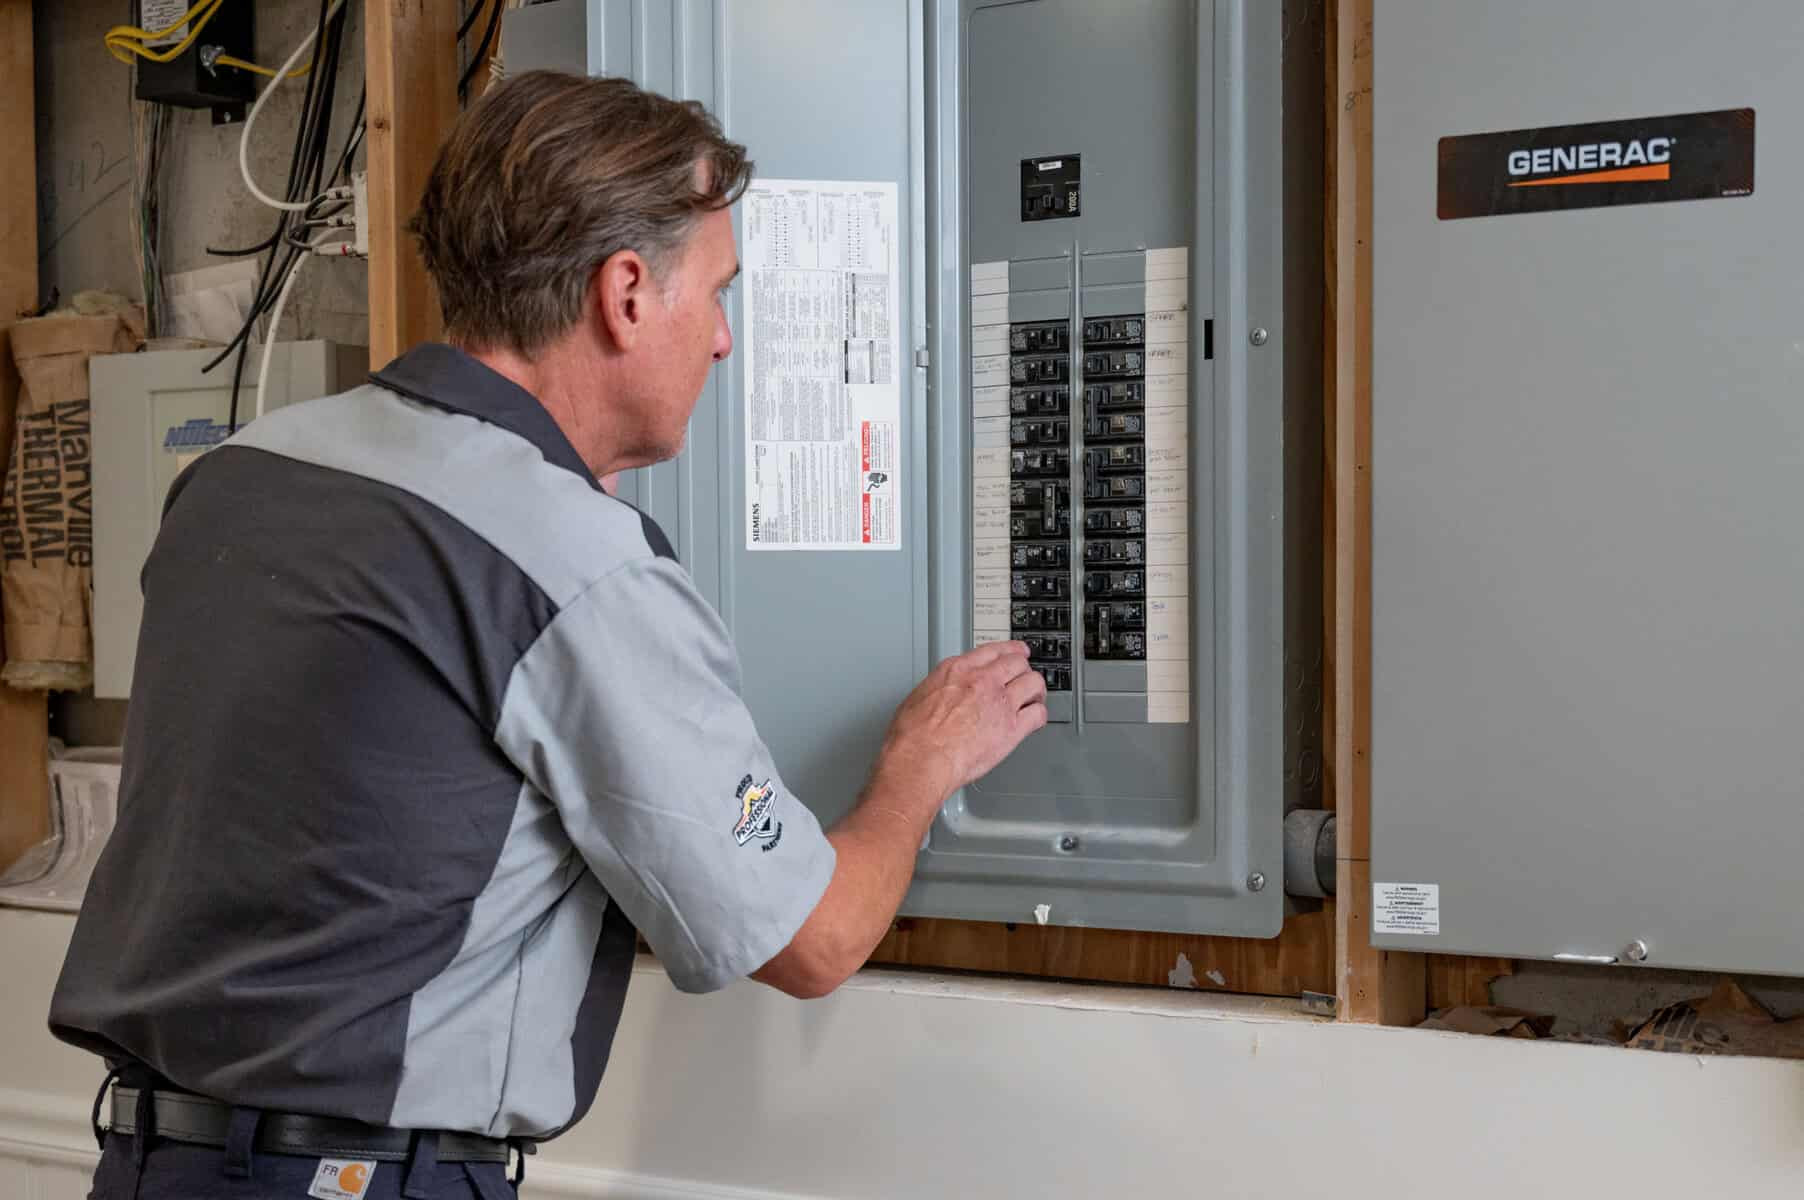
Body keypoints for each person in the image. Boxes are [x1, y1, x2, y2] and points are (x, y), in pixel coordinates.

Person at [50, 70, 1047, 1200]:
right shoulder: (568, 561)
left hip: (146, 1165)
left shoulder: (242, 477)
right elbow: (812, 942)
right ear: (626, 292)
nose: (722, 341)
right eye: (717, 292)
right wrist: (920, 768)